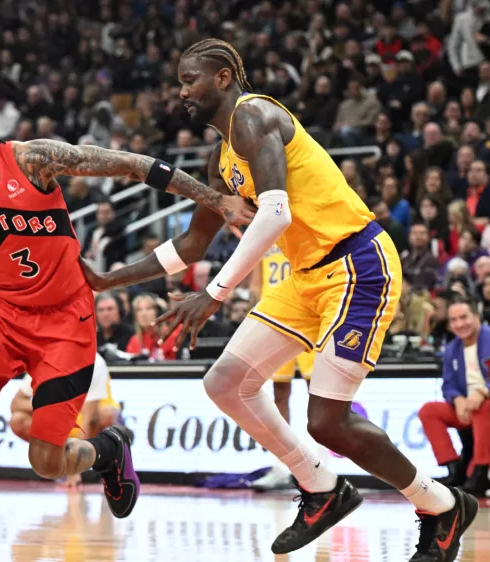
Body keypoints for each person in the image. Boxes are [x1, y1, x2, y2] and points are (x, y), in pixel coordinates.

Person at [78, 39, 478, 561]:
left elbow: (275, 215)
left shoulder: (254, 116)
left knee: (327, 421)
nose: (181, 92)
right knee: (225, 383)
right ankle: (321, 486)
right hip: (306, 276)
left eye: (188, 79)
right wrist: (110, 279)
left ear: (222, 77)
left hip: (357, 264)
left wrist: (213, 294)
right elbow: (193, 243)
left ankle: (441, 504)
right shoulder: (224, 155)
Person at [0, 97, 254, 561]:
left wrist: (215, 198)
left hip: (64, 321)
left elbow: (130, 165)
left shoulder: (33, 159)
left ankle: (107, 450)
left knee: (46, 462)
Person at [248, 245, 317, 492]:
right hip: (275, 317)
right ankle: (280, 467)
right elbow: (256, 284)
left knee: (318, 395)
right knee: (278, 395)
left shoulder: (300, 222)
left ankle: (319, 468)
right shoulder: (265, 226)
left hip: (307, 315)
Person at [9, 353, 123, 489]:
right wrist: (48, 406)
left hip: (87, 418)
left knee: (107, 415)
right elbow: (16, 403)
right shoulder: (44, 361)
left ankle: (107, 462)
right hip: (61, 417)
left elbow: (86, 422)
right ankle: (58, 463)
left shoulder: (93, 363)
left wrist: (74, 470)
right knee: (18, 421)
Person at [419, 297, 490, 496]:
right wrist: (457, 399)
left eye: (464, 317)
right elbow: (448, 384)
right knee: (429, 411)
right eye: (454, 320)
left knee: (483, 407)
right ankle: (454, 469)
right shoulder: (451, 349)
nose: (460, 324)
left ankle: (481, 472)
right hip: (467, 408)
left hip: (485, 406)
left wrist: (483, 391)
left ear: (476, 316)